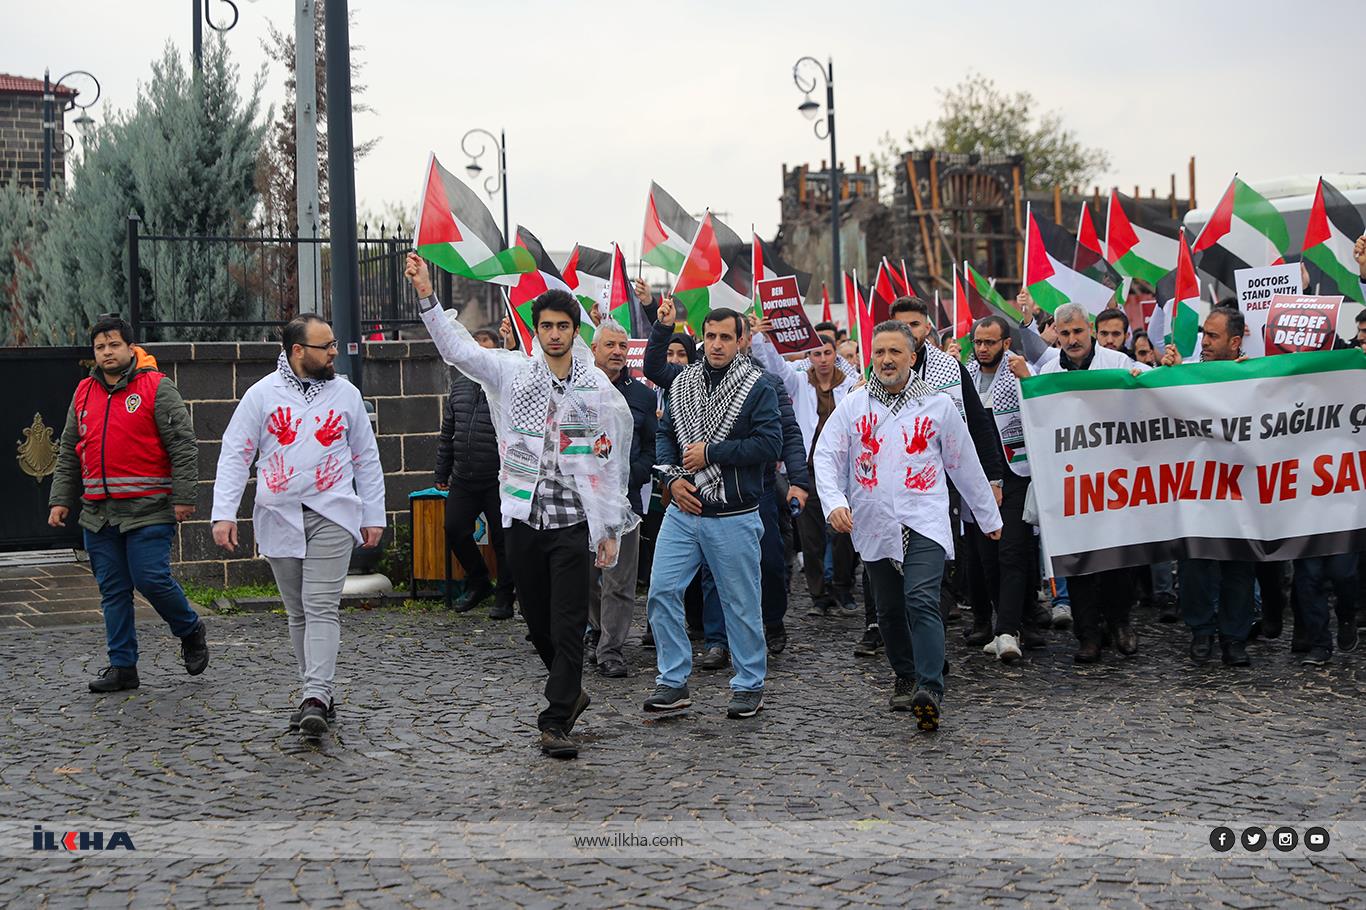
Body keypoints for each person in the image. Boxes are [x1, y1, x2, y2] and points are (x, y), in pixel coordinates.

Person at [406, 256, 637, 760]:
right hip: (525, 519)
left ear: (576, 332)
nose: (555, 334)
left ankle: (556, 721)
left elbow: (605, 463)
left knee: (570, 619)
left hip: (573, 522)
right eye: (547, 326)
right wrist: (426, 294)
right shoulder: (512, 375)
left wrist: (609, 527)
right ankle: (569, 688)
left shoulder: (594, 389)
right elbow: (457, 350)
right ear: (535, 331)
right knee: (536, 623)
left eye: (563, 327)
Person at [814, 320, 1002, 731]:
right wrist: (834, 502)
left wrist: (988, 516)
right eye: (879, 352)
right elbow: (827, 456)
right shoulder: (854, 406)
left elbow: (963, 463)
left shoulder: (937, 408)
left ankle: (930, 688)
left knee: (921, 598)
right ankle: (905, 674)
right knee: (889, 609)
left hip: (924, 520)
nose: (886, 360)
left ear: (912, 358)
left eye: (895, 352)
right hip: (873, 522)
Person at [211, 314, 385, 735]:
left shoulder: (346, 395)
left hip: (334, 513)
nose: (333, 353)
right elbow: (237, 452)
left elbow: (366, 456)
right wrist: (223, 513)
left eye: (333, 344)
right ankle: (318, 691)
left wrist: (374, 514)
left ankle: (315, 695)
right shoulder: (261, 395)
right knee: (298, 612)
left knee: (321, 605)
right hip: (279, 514)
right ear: (297, 351)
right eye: (325, 346)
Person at [48, 315, 207, 693]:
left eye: (114, 345)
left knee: (150, 578)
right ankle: (123, 667)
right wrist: (60, 500)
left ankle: (189, 629)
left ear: (129, 347)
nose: (107, 352)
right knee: (113, 591)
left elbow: (183, 445)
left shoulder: (156, 388)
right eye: (100, 347)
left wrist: (184, 497)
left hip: (149, 508)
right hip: (99, 514)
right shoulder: (83, 393)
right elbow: (70, 451)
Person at [643, 299, 809, 660]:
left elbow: (783, 435)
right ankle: (714, 644)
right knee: (682, 583)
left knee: (763, 566)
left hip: (754, 491)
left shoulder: (763, 384)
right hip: (693, 496)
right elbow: (664, 421)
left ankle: (771, 625)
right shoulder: (686, 382)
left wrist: (799, 480)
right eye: (710, 336)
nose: (717, 344)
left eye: (726, 337)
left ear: (742, 341)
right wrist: (660, 324)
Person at [887, 296, 1005, 653]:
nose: (909, 332)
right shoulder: (879, 369)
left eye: (915, 325)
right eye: (901, 325)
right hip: (894, 485)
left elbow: (978, 425)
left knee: (935, 563)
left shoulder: (951, 370)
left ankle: (929, 645)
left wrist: (993, 479)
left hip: (942, 485)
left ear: (927, 327)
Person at [1038, 302, 1146, 663]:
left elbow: (1156, 384)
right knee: (1079, 560)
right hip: (1072, 483)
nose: (1072, 340)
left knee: (1119, 560)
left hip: (1116, 480)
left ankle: (1119, 623)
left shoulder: (1118, 364)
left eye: (1078, 332)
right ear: (1056, 333)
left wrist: (1142, 380)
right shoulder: (1048, 370)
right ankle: (1088, 635)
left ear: (1091, 331)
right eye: (1064, 333)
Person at [1159, 307, 1258, 666]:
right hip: (1196, 490)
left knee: (1239, 567)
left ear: (1235, 342)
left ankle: (1234, 637)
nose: (1205, 342)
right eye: (1204, 335)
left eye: (1213, 337)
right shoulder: (1187, 374)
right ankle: (1201, 631)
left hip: (1240, 490)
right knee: (1195, 565)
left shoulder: (1255, 377)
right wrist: (1166, 376)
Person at [749, 324, 858, 615]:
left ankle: (843, 588)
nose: (822, 359)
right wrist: (761, 338)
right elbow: (774, 367)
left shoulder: (851, 384)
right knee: (810, 537)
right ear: (809, 356)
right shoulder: (799, 381)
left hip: (841, 469)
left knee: (843, 532)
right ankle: (819, 595)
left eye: (827, 353)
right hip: (808, 469)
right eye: (816, 353)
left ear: (835, 355)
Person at [585, 315, 657, 678]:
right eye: (609, 345)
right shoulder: (579, 389)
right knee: (585, 576)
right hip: (582, 504)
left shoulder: (642, 395)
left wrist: (633, 474)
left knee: (620, 581)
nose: (617, 352)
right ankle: (597, 630)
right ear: (594, 348)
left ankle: (611, 649)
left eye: (622, 347)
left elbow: (651, 446)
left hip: (626, 503)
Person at [968, 315, 1042, 662]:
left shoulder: (1020, 373)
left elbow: (1045, 407)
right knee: (988, 559)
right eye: (978, 342)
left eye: (990, 343)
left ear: (1005, 344)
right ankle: (1007, 620)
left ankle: (1007, 631)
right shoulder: (963, 376)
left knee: (1012, 551)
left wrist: (1029, 382)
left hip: (1016, 475)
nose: (982, 349)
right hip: (977, 479)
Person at [435, 328, 514, 619]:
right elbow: (448, 432)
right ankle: (479, 580)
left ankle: (505, 596)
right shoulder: (460, 385)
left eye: (485, 347)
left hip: (497, 478)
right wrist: (441, 472)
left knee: (503, 540)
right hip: (464, 477)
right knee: (454, 529)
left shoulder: (502, 382)